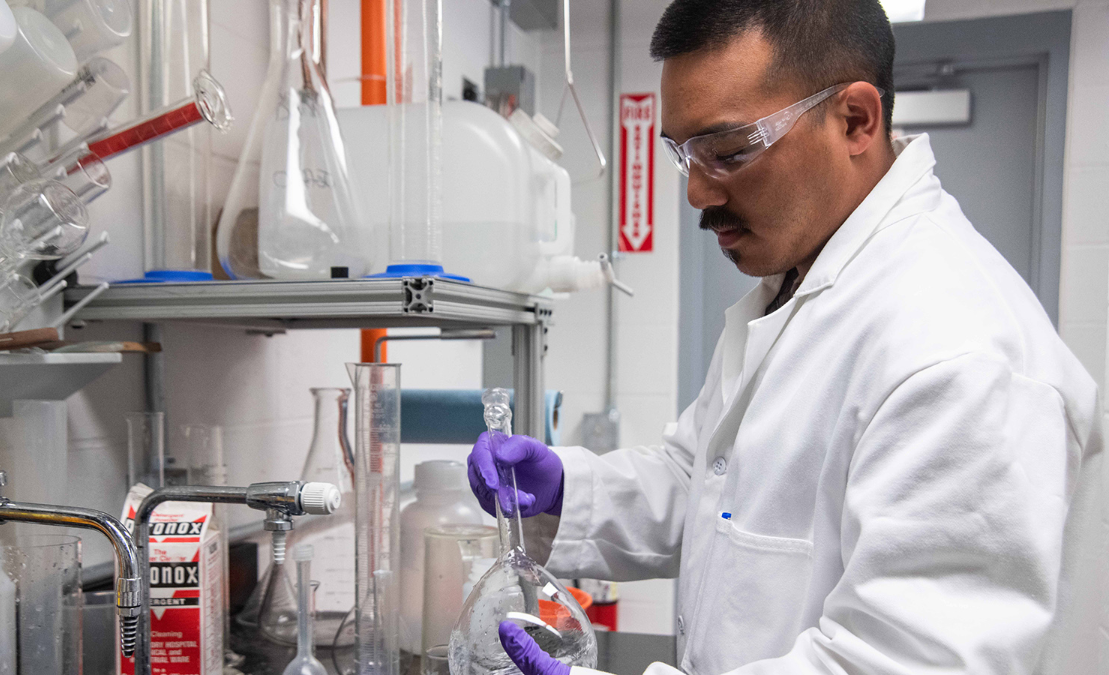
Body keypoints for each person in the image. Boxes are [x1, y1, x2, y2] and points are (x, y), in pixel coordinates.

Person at [467, 1, 1106, 674]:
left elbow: (901, 663)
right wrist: (569, 488)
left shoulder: (958, 352)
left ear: (855, 120)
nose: (696, 194)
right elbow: (711, 485)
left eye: (730, 151)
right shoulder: (801, 285)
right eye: (683, 154)